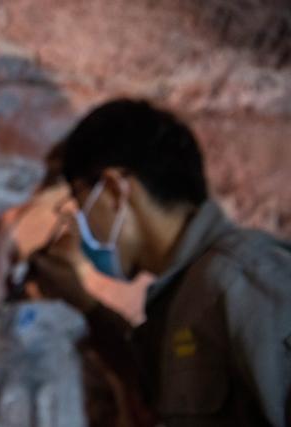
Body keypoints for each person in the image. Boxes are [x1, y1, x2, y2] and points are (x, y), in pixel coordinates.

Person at [30, 99, 291, 427]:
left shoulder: (244, 276)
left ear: (113, 190)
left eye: (80, 206)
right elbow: (148, 374)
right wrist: (84, 305)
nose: (79, 226)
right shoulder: (181, 298)